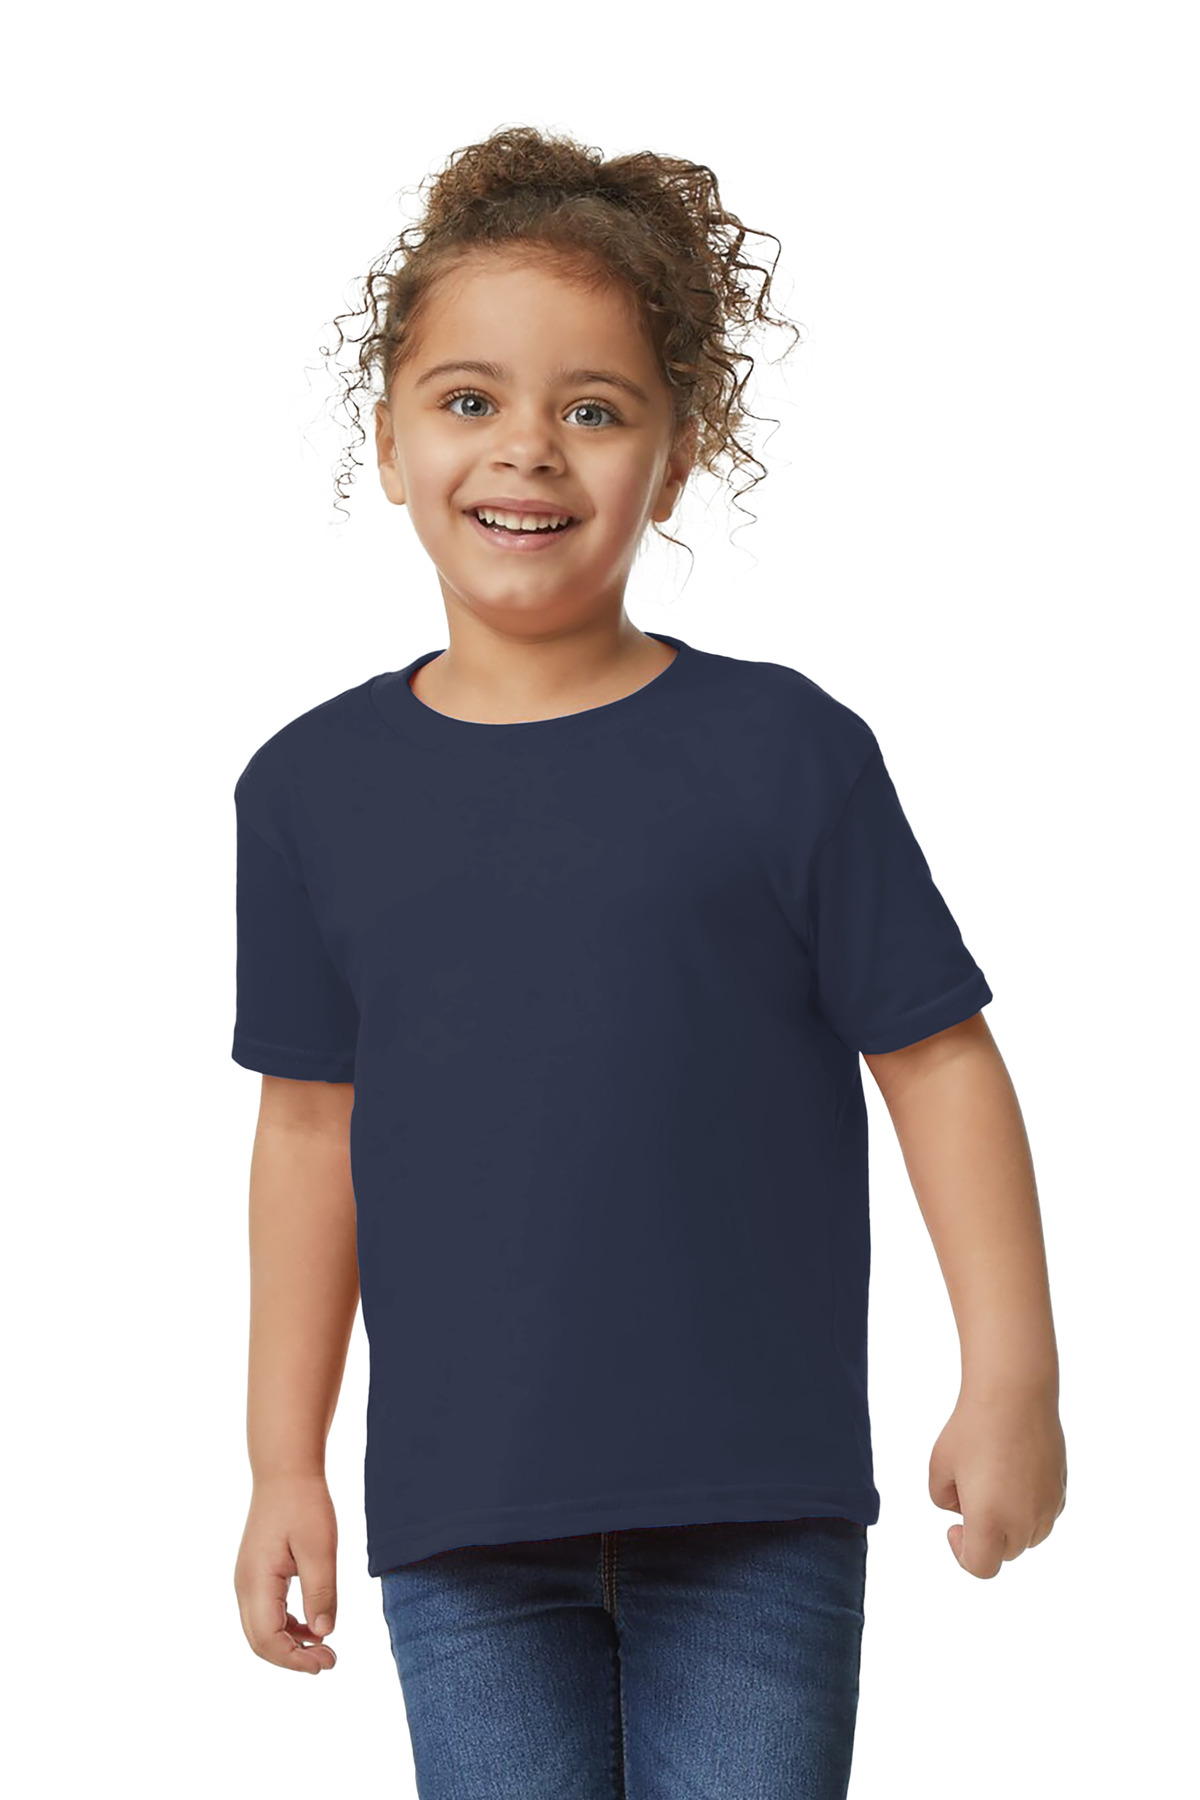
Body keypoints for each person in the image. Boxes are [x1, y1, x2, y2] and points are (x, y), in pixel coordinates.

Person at [231, 124, 1067, 1798]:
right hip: (464, 1524)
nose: (526, 448)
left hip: (756, 1509)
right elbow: (311, 1129)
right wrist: (282, 1465)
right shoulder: (309, 789)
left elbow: (936, 1059)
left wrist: (1015, 1378)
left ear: (677, 461)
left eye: (595, 410)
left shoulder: (786, 752)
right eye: (468, 398)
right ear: (388, 441)